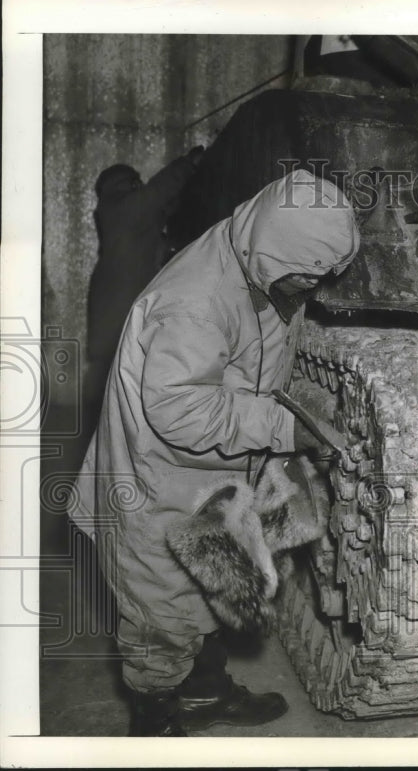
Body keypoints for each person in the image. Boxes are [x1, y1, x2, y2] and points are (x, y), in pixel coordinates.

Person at [69, 169, 360, 736]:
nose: (312, 290)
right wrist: (283, 428)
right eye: (307, 277)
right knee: (161, 614)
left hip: (207, 476)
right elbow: (179, 409)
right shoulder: (195, 303)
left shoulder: (254, 255)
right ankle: (153, 722)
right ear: (277, 253)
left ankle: (203, 693)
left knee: (214, 583)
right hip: (157, 482)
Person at [86, 147, 205, 408]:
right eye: (134, 181)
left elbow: (158, 213)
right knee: (114, 393)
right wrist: (188, 164)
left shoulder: (120, 216)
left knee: (116, 389)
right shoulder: (123, 209)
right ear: (124, 184)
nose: (140, 184)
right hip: (117, 310)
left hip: (115, 307)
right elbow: (156, 194)